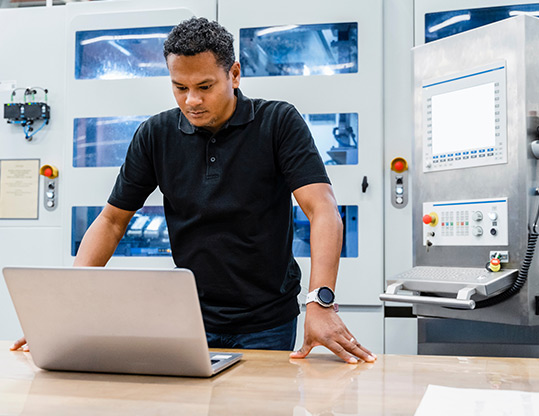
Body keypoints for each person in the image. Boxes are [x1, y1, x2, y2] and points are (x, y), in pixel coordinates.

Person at [11, 17, 376, 364]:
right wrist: (67, 306)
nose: (191, 101)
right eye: (179, 87)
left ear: (233, 74)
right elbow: (111, 221)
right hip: (190, 317)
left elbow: (322, 210)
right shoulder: (156, 135)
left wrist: (320, 303)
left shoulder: (277, 123)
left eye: (204, 87)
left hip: (268, 320)